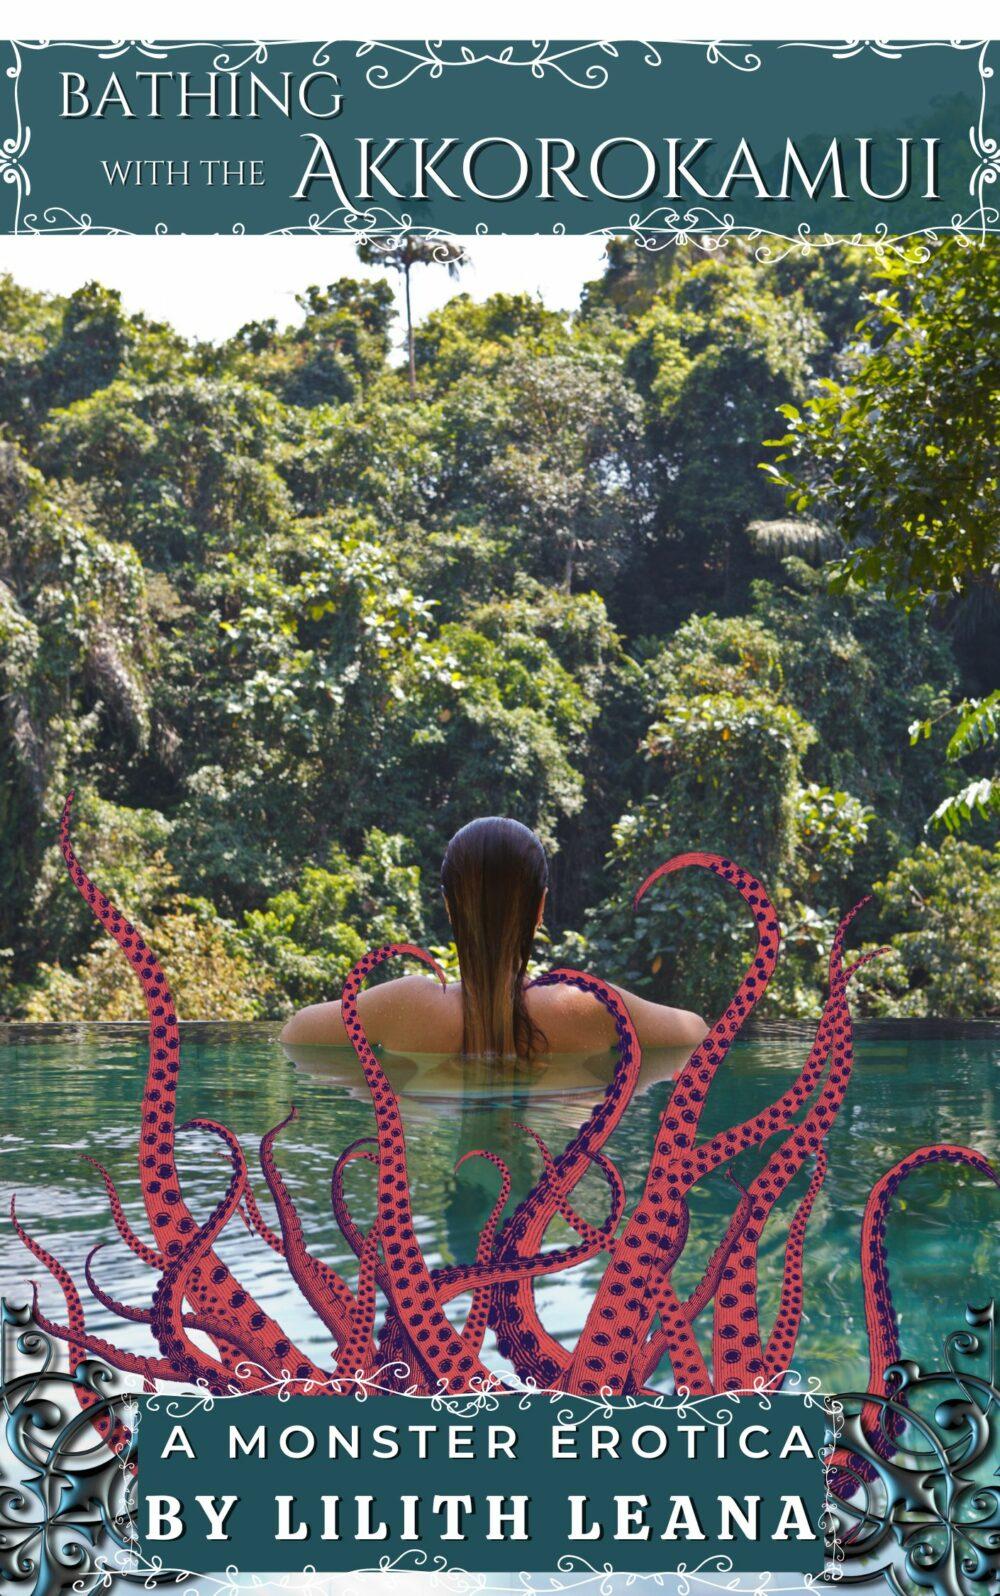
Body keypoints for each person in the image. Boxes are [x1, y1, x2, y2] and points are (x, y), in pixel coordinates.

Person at [280, 817, 708, 1061]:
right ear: (540, 908)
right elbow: (696, 1032)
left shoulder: (405, 1006)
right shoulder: (586, 1006)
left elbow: (296, 1032)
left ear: (449, 907)